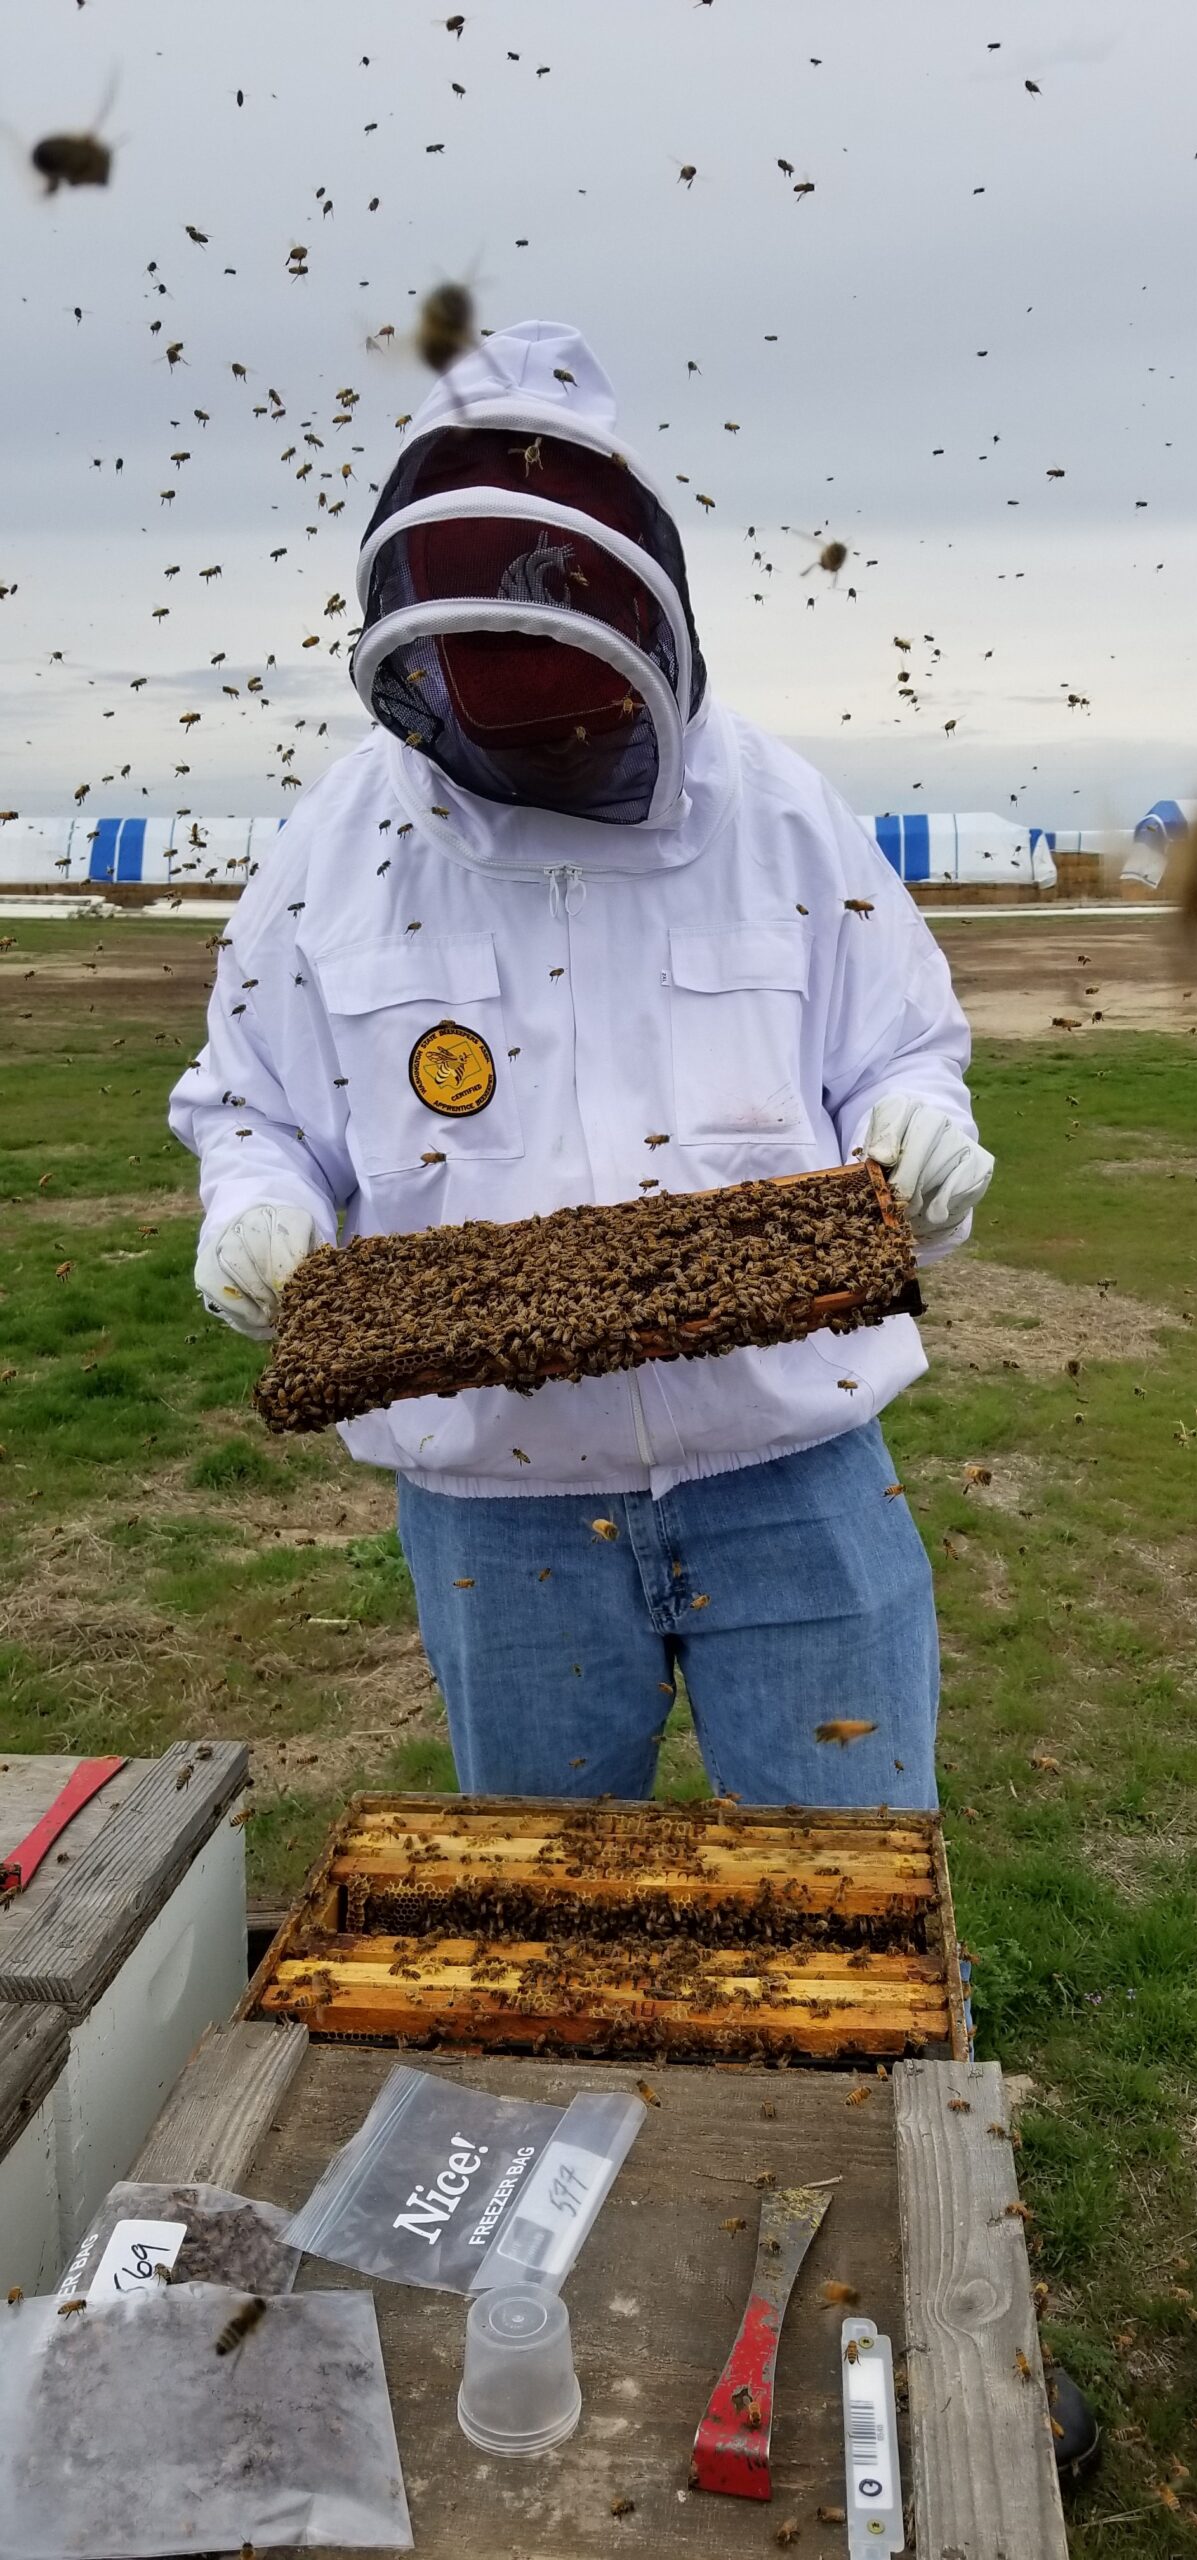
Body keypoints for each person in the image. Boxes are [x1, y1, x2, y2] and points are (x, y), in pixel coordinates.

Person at [170, 317, 993, 1813]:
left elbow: (899, 1044)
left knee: (853, 1889)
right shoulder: (330, 853)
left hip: (790, 1464)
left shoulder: (782, 810)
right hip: (501, 1506)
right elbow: (254, 1108)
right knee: (547, 1923)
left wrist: (913, 1124)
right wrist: (256, 1206)